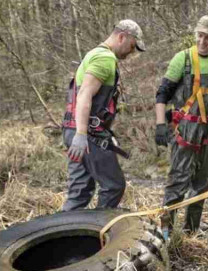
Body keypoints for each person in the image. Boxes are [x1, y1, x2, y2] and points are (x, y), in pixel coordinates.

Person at [154, 15, 208, 236]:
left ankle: (192, 230)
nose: (202, 41)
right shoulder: (182, 59)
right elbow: (162, 94)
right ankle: (165, 232)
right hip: (185, 130)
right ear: (195, 34)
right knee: (178, 181)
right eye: (200, 36)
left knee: (203, 183)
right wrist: (160, 125)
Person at [61, 20, 146, 211]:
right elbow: (84, 95)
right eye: (132, 46)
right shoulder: (105, 59)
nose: (132, 52)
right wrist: (82, 135)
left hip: (72, 130)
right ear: (121, 36)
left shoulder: (93, 54)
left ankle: (64, 236)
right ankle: (98, 232)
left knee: (79, 192)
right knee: (114, 186)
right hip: (86, 135)